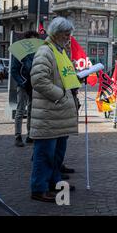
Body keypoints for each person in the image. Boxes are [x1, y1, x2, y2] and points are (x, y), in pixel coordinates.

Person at [29, 17, 81, 202]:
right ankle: (39, 189)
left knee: (57, 154)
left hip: (59, 113)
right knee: (45, 155)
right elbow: (39, 80)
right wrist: (60, 95)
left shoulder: (60, 51)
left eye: (70, 34)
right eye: (66, 34)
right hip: (49, 113)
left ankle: (54, 184)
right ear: (56, 33)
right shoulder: (45, 51)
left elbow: (63, 76)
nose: (69, 38)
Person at [11, 31, 40, 147]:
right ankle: (18, 136)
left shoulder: (38, 52)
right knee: (20, 110)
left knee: (32, 111)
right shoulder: (20, 52)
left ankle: (29, 134)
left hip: (34, 84)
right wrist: (23, 82)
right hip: (23, 85)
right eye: (32, 40)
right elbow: (14, 70)